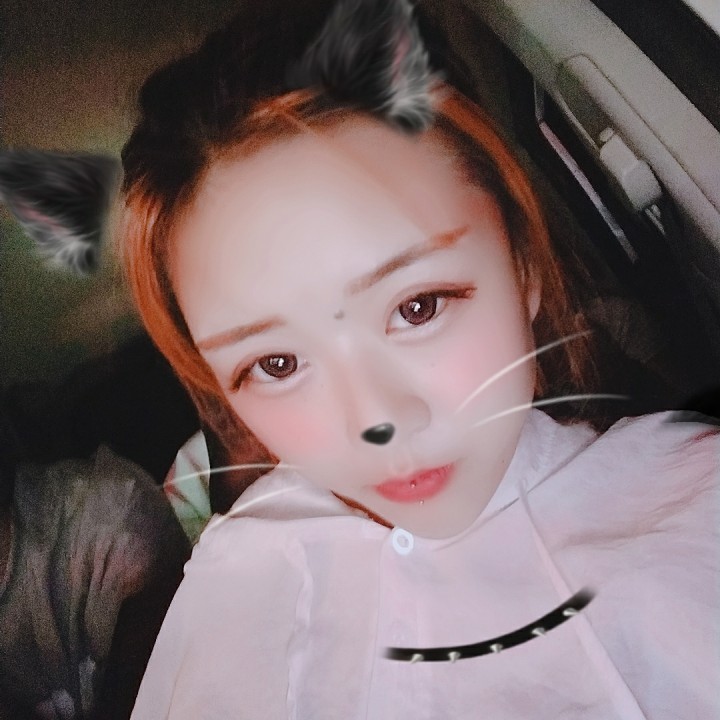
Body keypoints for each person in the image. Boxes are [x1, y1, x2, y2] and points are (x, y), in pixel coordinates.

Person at [118, 1, 719, 717]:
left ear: (523, 264)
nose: (376, 422)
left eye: (418, 307)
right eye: (276, 365)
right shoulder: (234, 576)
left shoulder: (697, 507)